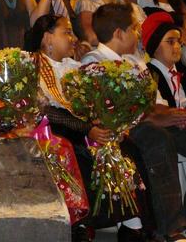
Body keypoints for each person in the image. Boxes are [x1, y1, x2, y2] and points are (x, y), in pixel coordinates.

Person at [24, 15, 149, 241]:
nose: (73, 38)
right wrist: (87, 129)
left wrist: (110, 125)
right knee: (77, 150)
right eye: (66, 32)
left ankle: (132, 225)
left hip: (83, 127)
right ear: (47, 38)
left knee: (125, 147)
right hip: (52, 128)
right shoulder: (33, 64)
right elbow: (46, 110)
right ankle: (81, 224)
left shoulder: (74, 67)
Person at [82, 3, 186, 242]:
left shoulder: (136, 62)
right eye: (133, 28)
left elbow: (154, 104)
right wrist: (155, 117)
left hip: (147, 122)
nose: (138, 34)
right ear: (119, 33)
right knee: (158, 139)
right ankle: (169, 227)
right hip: (122, 129)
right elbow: (104, 110)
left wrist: (173, 115)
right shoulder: (94, 62)